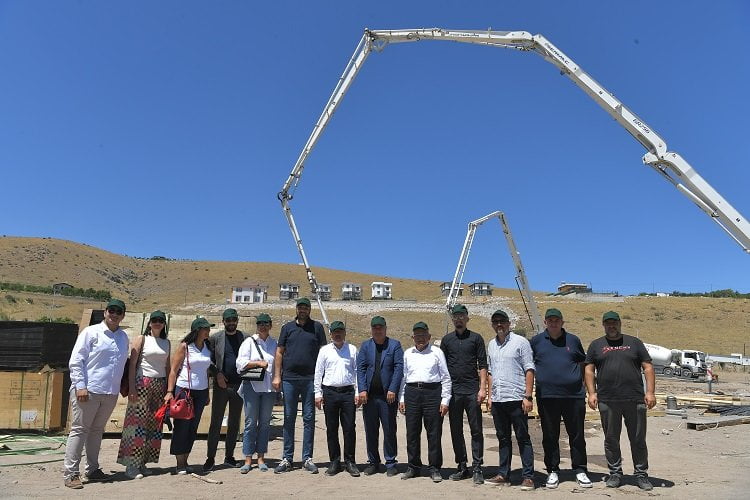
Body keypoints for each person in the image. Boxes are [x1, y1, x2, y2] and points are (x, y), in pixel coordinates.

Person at [585, 311, 656, 491]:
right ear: (603, 325)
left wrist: (650, 392)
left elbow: (647, 367)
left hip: (635, 399)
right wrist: (592, 393)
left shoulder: (634, 343)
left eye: (614, 323)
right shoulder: (596, 345)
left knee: (638, 439)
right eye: (608, 323)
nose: (612, 326)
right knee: (611, 439)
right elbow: (589, 370)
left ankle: (641, 474)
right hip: (608, 400)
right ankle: (615, 473)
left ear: (620, 323)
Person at [63, 299, 130, 489]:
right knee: (79, 430)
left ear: (123, 315)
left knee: (97, 430)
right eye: (111, 310)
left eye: (118, 311)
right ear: (105, 312)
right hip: (88, 390)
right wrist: (80, 385)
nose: (114, 314)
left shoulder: (123, 337)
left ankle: (92, 469)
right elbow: (76, 361)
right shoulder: (91, 332)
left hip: (110, 392)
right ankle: (71, 473)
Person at [530, 308, 591, 489]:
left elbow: (582, 363)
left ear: (562, 322)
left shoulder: (573, 340)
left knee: (577, 434)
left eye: (557, 320)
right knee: (550, 435)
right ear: (545, 322)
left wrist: (581, 385)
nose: (553, 323)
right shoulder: (536, 341)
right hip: (547, 396)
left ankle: (580, 469)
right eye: (550, 320)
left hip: (573, 396)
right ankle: (552, 470)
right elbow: (529, 365)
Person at [272, 297, 327, 474]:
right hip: (289, 379)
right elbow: (279, 352)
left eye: (306, 308)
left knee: (309, 418)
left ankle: (307, 458)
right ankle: (287, 458)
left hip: (310, 379)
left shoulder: (317, 327)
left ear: (310, 310)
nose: (303, 310)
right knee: (289, 417)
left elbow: (323, 353)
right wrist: (277, 376)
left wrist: (322, 379)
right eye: (300, 307)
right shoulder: (287, 328)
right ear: (296, 309)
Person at [117, 310, 172, 479]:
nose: (157, 323)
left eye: (160, 320)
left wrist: (169, 390)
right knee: (137, 425)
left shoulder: (166, 342)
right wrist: (132, 388)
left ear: (164, 323)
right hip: (142, 382)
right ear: (149, 322)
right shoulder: (142, 339)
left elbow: (167, 367)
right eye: (154, 320)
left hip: (160, 385)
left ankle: (143, 462)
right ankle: (131, 465)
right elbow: (133, 365)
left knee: (153, 425)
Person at [485, 309, 536, 491]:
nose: (499, 324)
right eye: (495, 321)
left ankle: (528, 476)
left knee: (522, 437)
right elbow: (490, 372)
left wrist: (528, 396)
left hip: (516, 398)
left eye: (502, 321)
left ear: (508, 323)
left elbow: (529, 369)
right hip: (498, 399)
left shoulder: (521, 342)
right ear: (492, 325)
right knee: (503, 438)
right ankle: (503, 474)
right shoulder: (491, 345)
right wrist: (490, 396)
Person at [440, 304, 488, 484]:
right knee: (456, 430)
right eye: (456, 316)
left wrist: (482, 388)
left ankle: (477, 467)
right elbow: (442, 367)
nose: (458, 319)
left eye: (462, 316)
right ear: (452, 319)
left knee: (476, 430)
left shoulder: (476, 338)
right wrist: (444, 394)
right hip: (453, 392)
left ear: (467, 318)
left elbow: (482, 365)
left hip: (472, 390)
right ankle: (462, 466)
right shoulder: (447, 340)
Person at [399, 322, 451, 483]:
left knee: (434, 433)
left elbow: (446, 377)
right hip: (412, 393)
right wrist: (402, 398)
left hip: (432, 393)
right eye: (417, 335)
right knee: (412, 432)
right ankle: (413, 467)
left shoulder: (437, 352)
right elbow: (403, 378)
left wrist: (445, 400)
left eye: (423, 335)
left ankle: (434, 468)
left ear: (429, 336)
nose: (420, 338)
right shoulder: (408, 353)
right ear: (413, 337)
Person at [356, 315, 403, 477]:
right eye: (375, 328)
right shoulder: (365, 346)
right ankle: (373, 462)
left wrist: (393, 389)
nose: (377, 330)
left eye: (380, 328)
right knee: (371, 431)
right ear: (371, 329)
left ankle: (390, 462)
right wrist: (362, 389)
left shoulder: (395, 345)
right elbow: (361, 368)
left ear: (385, 329)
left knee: (389, 430)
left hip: (387, 397)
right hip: (369, 397)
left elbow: (398, 368)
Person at [166, 317, 214, 475]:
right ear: (197, 330)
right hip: (184, 389)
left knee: (193, 427)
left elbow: (206, 371)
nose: (208, 331)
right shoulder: (185, 346)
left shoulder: (207, 346)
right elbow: (173, 370)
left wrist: (207, 393)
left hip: (201, 391)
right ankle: (179, 463)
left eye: (208, 328)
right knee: (182, 426)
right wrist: (170, 391)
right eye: (205, 328)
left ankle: (186, 460)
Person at [314, 321, 360, 477]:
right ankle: (334, 461)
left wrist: (358, 392)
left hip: (348, 393)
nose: (338, 334)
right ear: (331, 334)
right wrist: (317, 394)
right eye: (335, 332)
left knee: (349, 428)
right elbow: (318, 372)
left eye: (340, 331)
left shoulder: (352, 349)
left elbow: (357, 372)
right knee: (331, 428)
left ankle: (350, 461)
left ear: (345, 333)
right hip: (330, 392)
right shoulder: (324, 351)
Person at [204, 308, 246, 471]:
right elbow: (208, 360)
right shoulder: (215, 339)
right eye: (228, 320)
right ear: (223, 321)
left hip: (239, 387)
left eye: (233, 320)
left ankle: (229, 456)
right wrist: (217, 374)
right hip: (221, 387)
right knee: (215, 422)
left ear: (237, 320)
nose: (231, 323)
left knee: (234, 423)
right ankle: (210, 458)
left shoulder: (245, 338)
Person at [236, 313, 277, 474]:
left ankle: (261, 457)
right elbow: (240, 363)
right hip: (252, 386)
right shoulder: (249, 342)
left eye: (266, 323)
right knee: (250, 423)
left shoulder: (275, 343)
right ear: (257, 326)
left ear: (270, 325)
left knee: (265, 423)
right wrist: (258, 363)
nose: (263, 326)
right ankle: (248, 458)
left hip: (269, 388)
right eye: (260, 323)